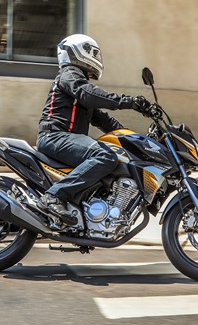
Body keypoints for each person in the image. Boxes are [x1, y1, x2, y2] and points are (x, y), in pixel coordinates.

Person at [36, 34, 149, 225]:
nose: (96, 57)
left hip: (65, 138)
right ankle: (54, 196)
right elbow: (89, 94)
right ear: (78, 51)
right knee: (105, 156)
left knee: (115, 157)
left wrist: (134, 139)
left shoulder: (78, 86)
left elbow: (103, 120)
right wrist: (130, 102)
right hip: (55, 136)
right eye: (93, 53)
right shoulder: (70, 74)